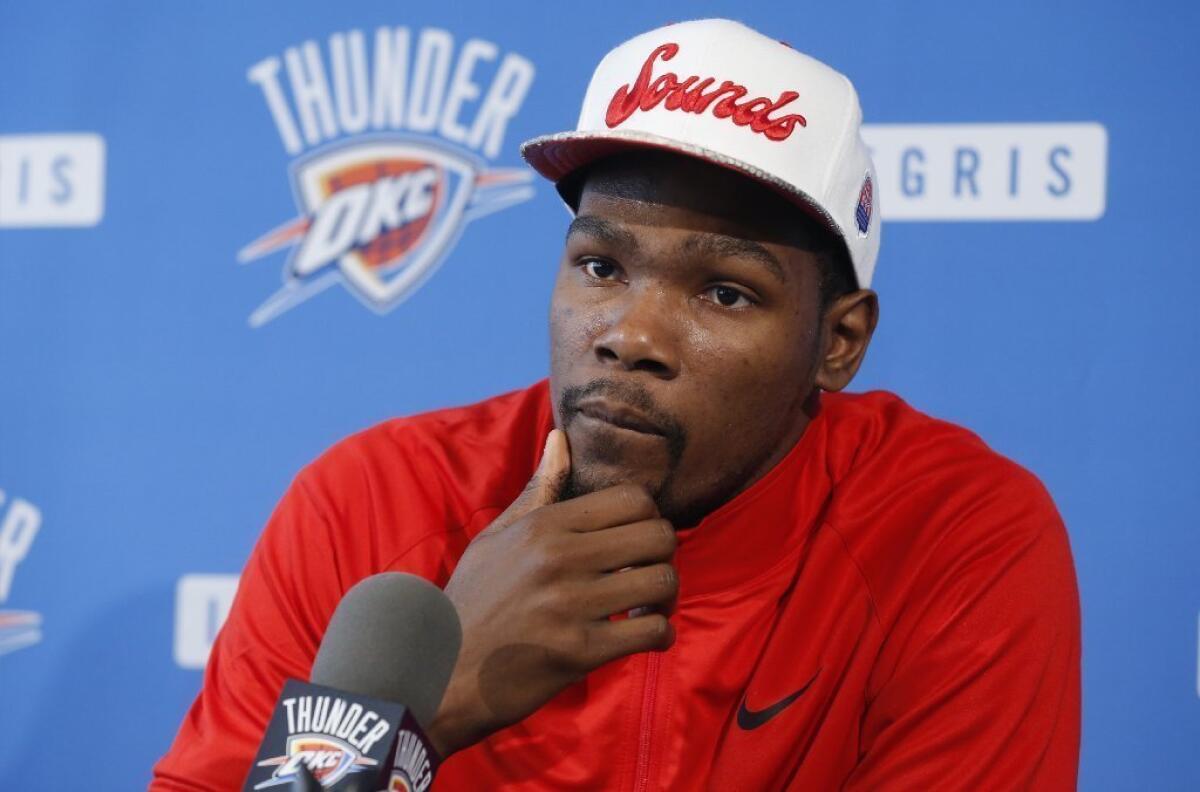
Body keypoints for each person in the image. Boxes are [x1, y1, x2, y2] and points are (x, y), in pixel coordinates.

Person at [152, 18, 1080, 790]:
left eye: (725, 291)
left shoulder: (948, 532)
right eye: (601, 266)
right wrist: (441, 700)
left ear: (837, 342)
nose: (629, 334)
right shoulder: (372, 503)